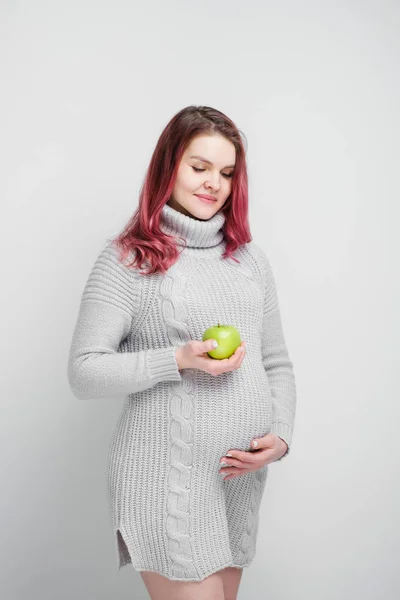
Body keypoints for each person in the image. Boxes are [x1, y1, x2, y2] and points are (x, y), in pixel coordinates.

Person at [67, 105, 297, 600]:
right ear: (168, 166)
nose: (214, 183)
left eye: (227, 172)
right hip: (165, 478)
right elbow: (84, 372)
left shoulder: (249, 260)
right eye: (199, 167)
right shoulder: (130, 259)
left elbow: (275, 361)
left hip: (235, 482)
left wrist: (280, 436)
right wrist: (179, 359)